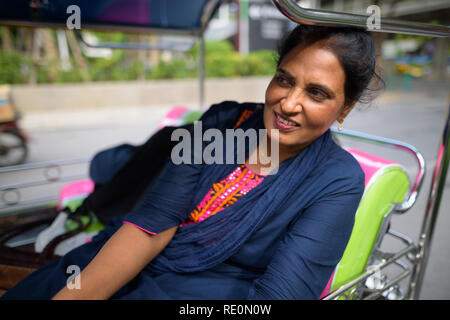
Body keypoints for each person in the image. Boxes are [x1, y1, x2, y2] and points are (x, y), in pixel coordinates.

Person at [2, 24, 383, 300]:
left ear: (344, 108)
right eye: (284, 80)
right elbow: (152, 225)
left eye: (316, 93)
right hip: (133, 260)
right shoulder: (222, 122)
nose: (288, 103)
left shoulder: (337, 179)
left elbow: (281, 295)